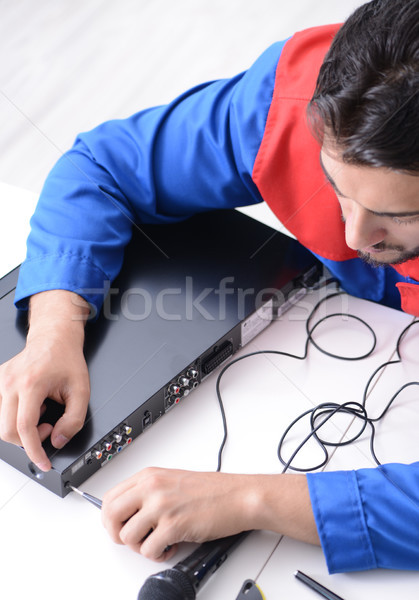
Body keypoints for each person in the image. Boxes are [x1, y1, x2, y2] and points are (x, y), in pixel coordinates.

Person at [1, 0, 419, 574]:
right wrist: (54, 325)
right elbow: (100, 167)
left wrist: (251, 500)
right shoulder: (294, 100)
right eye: (336, 186)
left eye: (396, 215)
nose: (350, 235)